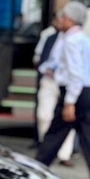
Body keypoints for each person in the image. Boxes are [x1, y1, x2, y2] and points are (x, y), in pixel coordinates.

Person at [36, 2, 90, 179]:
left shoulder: (70, 41)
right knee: (89, 143)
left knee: (51, 139)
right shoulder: (87, 40)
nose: (61, 20)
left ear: (71, 19)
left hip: (75, 95)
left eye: (64, 17)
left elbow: (75, 75)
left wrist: (69, 102)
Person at [34, 16, 77, 166]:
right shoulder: (50, 38)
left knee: (66, 119)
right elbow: (42, 59)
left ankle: (65, 154)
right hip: (49, 80)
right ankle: (45, 147)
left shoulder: (75, 39)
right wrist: (45, 70)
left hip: (65, 83)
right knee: (43, 115)